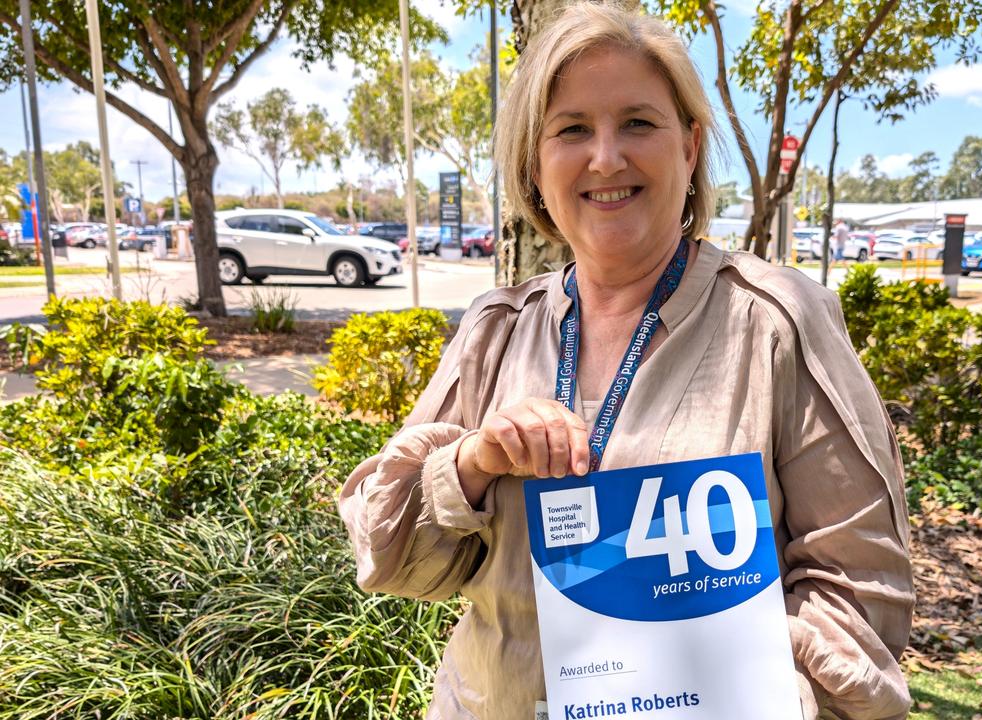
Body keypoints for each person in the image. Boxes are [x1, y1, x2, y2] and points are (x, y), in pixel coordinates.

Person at [337, 4, 913, 719]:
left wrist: (737, 700)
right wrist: (476, 462)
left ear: (690, 146)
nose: (606, 158)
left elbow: (860, 591)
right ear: (536, 165)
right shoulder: (496, 330)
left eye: (638, 123)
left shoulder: (778, 324)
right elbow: (392, 555)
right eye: (572, 129)